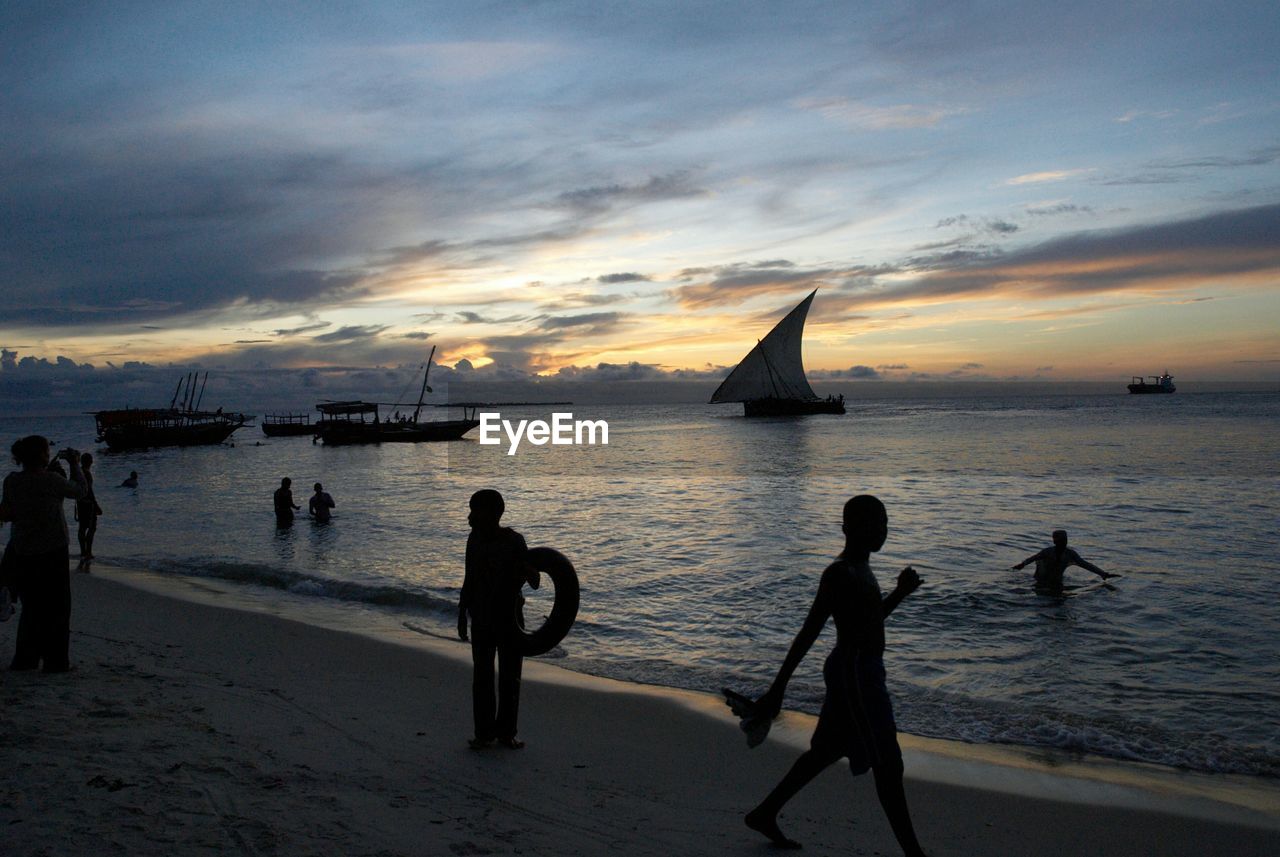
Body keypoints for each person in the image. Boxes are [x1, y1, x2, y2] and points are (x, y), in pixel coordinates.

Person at [739, 495, 929, 856]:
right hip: (856, 675)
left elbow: (867, 623)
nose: (880, 531)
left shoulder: (862, 568)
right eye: (871, 524)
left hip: (858, 670)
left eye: (883, 523)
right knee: (889, 762)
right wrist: (778, 689)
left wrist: (900, 594)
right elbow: (809, 631)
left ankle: (764, 813)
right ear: (847, 529)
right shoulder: (840, 573)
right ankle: (914, 854)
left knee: (825, 751)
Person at [457, 489, 539, 749]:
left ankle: (506, 733)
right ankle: (483, 733)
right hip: (480, 617)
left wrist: (527, 571)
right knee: (481, 677)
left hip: (510, 619)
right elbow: (468, 577)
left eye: (474, 511)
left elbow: (535, 581)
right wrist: (461, 612)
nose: (469, 517)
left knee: (510, 678)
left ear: (493, 514)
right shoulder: (474, 539)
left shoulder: (514, 541)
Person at [0, 436, 87, 672]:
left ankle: (25, 659)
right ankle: (56, 662)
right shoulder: (51, 480)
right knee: (57, 608)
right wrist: (75, 464)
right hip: (52, 551)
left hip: (23, 551)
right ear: (42, 455)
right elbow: (80, 490)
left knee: (32, 608)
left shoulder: (11, 481)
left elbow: (9, 511)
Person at [1012, 529, 1113, 591]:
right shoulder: (1047, 552)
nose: (1064, 543)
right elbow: (1033, 558)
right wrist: (1022, 564)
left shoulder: (1070, 554)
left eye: (1065, 540)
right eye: (1061, 540)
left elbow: (1085, 564)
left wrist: (1103, 574)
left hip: (1057, 582)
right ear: (1055, 541)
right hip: (1040, 581)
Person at [75, 452, 102, 569]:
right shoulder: (87, 473)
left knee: (82, 527)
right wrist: (96, 505)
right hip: (88, 504)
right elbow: (89, 491)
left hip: (80, 503)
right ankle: (88, 552)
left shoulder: (78, 473)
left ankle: (83, 552)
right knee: (91, 527)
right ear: (90, 462)